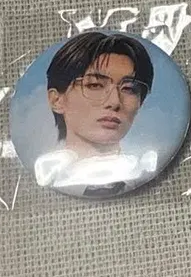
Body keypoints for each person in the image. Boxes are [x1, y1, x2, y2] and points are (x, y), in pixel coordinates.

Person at [33, 31, 156, 198]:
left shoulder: (149, 175)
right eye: (95, 85)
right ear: (56, 100)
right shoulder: (42, 183)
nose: (115, 102)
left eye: (129, 89)